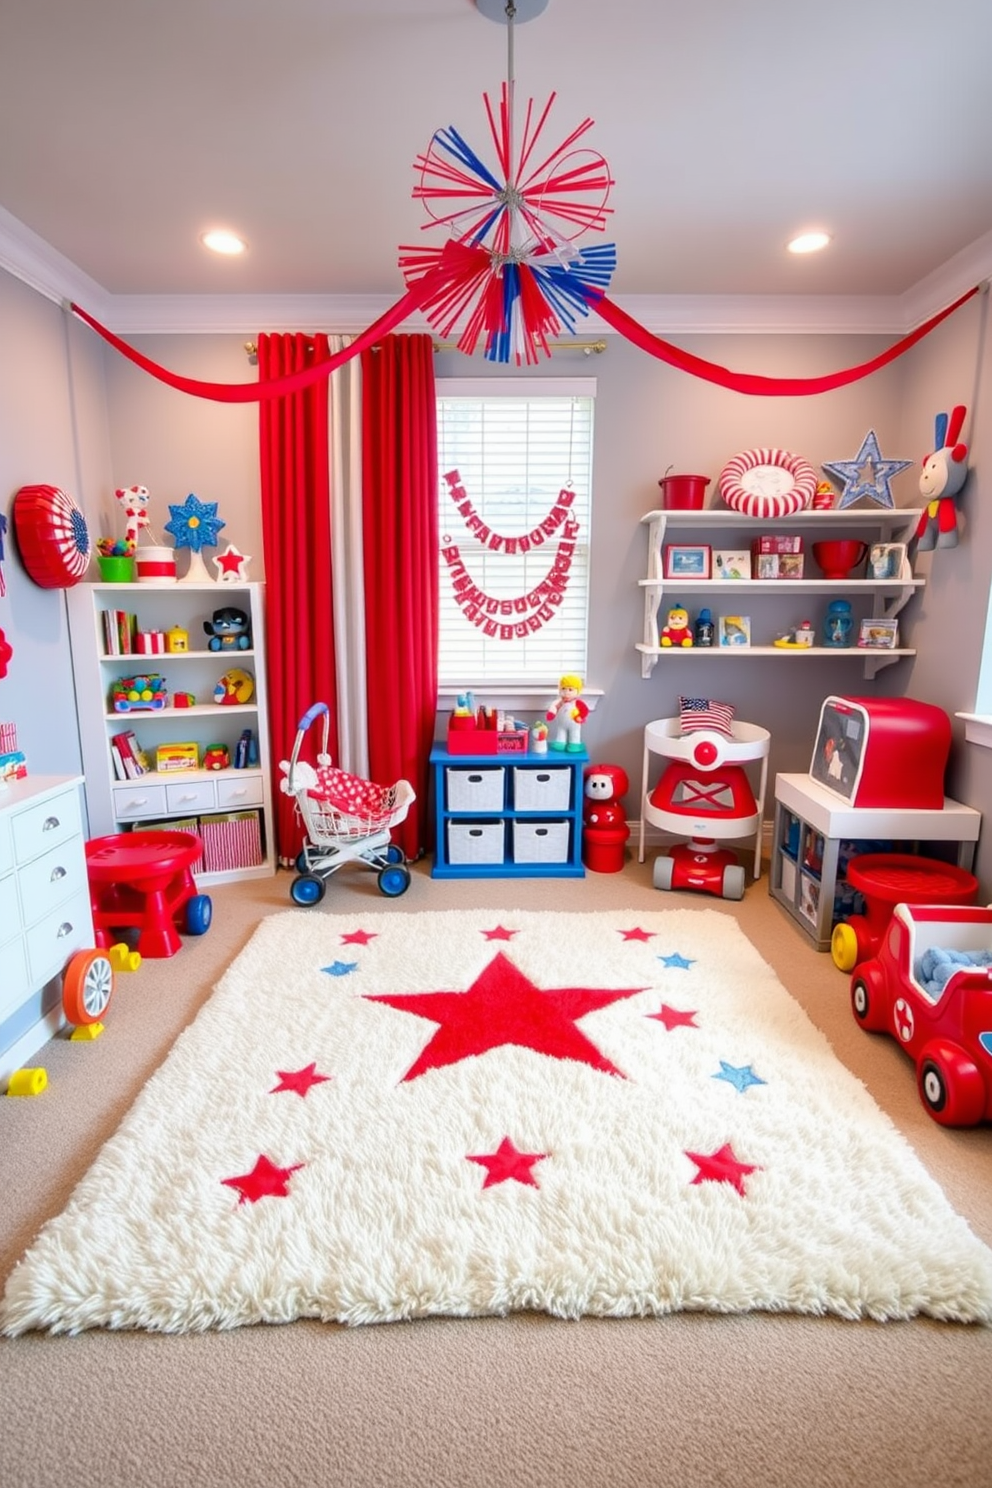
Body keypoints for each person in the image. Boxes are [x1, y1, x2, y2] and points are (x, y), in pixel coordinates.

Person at [546, 673, 589, 752]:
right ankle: (560, 743)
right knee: (560, 732)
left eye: (570, 689)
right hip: (561, 724)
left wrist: (580, 716)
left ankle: (574, 744)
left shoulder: (577, 702)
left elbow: (585, 710)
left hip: (574, 723)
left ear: (577, 691)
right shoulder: (560, 702)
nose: (566, 692)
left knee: (575, 733)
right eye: (563, 688)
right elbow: (554, 708)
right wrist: (551, 714)